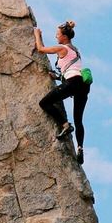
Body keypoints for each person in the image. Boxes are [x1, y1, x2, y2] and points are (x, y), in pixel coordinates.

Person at [34, 20, 89, 164]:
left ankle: (65, 125)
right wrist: (58, 77)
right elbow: (72, 70)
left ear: (64, 37)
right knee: (78, 119)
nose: (56, 36)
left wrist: (37, 34)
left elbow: (40, 49)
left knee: (44, 103)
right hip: (82, 85)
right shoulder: (75, 49)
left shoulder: (62, 48)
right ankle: (80, 148)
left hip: (73, 83)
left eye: (58, 34)